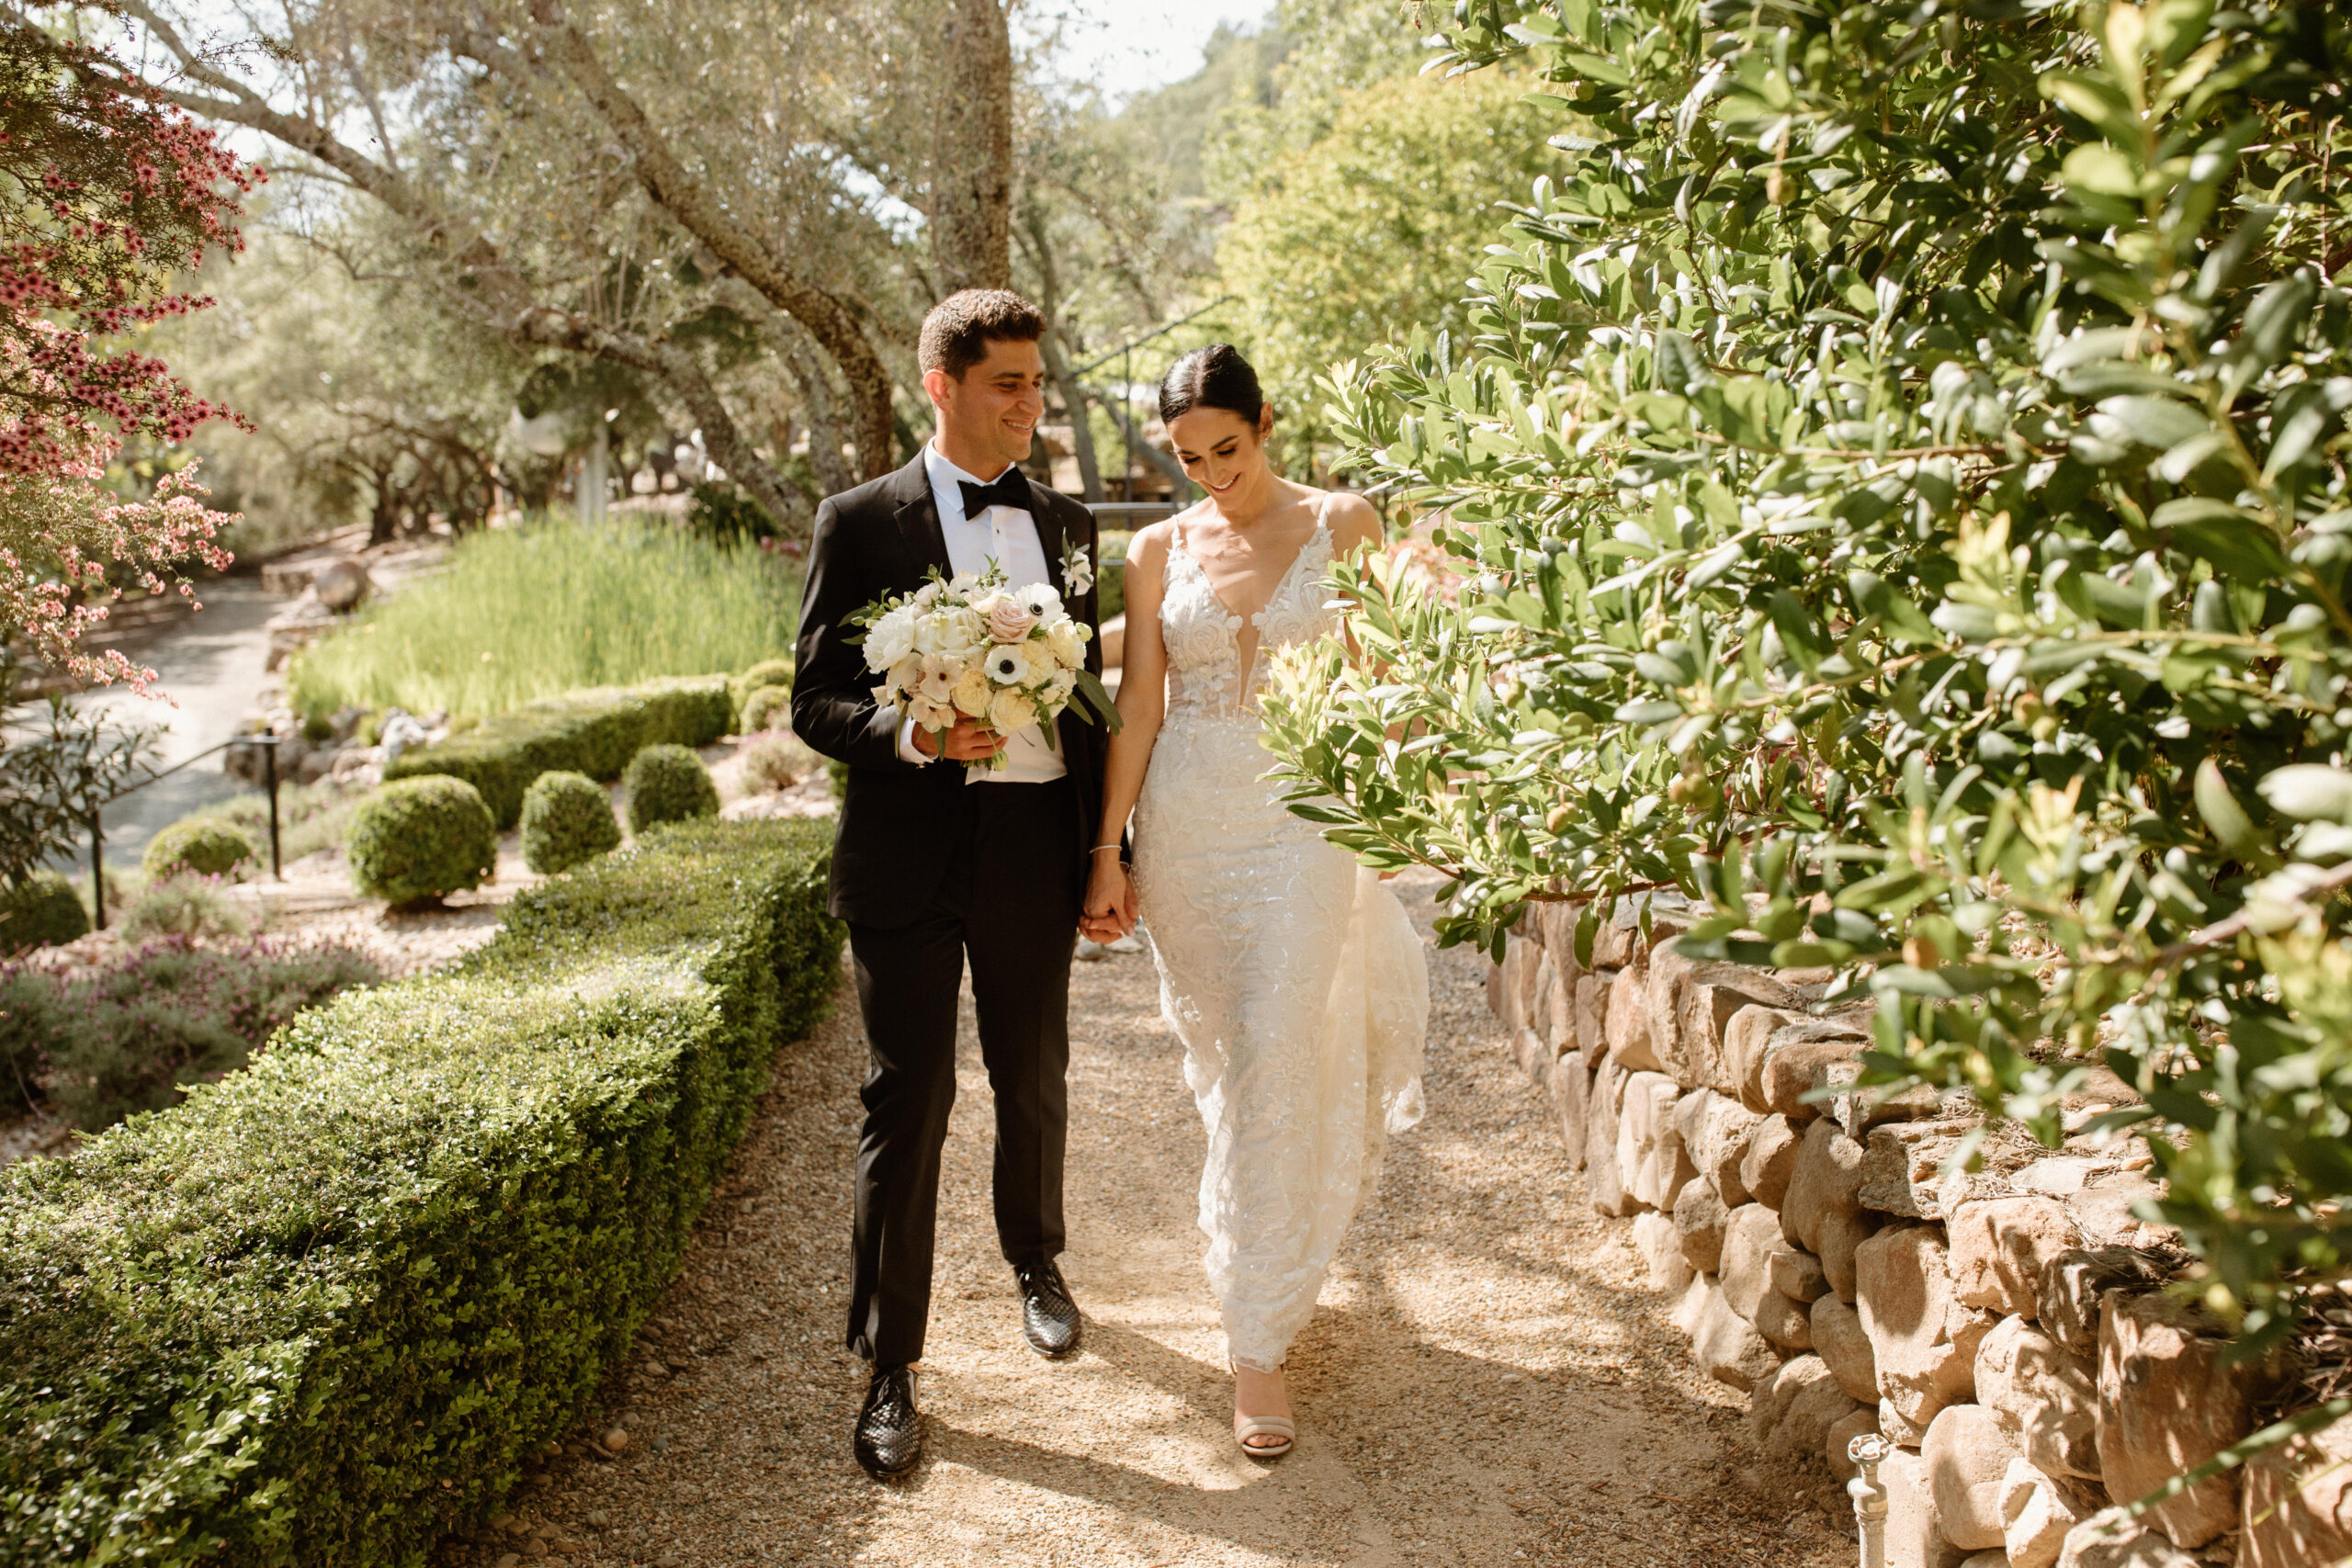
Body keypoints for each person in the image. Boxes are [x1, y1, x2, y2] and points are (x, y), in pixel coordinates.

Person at [1080, 344, 1429, 1460]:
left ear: (1266, 423)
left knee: (1281, 1044)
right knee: (1235, 1067)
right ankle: (1265, 1255)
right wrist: (1106, 850)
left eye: (1226, 450)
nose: (1210, 476)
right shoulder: (1150, 549)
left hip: (1302, 826)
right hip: (1187, 828)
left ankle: (1255, 1343)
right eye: (1188, 459)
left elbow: (1389, 691)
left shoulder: (1347, 525)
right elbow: (1139, 708)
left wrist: (1390, 808)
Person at [790, 289, 1111, 1480]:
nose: (1031, 403)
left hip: (1035, 842)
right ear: (942, 384)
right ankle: (890, 1360)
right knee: (905, 1098)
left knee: (1032, 1072)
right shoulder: (856, 520)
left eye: (1036, 381)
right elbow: (812, 700)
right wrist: (915, 737)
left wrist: (1102, 853)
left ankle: (1037, 1258)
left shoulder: (1072, 530)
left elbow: (1089, 709)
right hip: (907, 853)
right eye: (1007, 384)